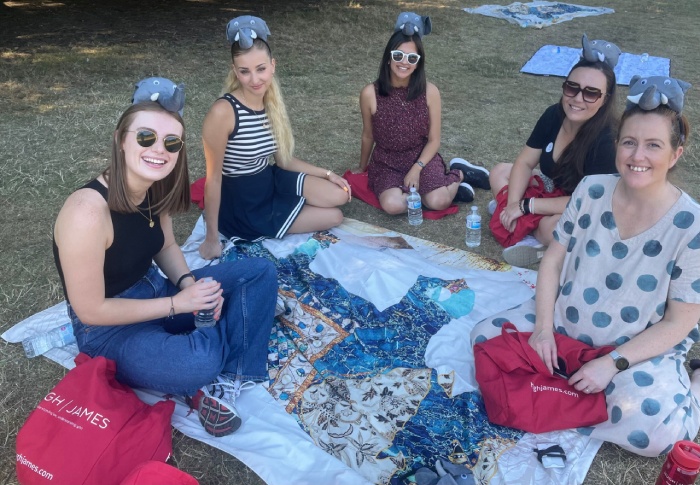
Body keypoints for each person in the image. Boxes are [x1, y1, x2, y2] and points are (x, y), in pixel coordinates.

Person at [472, 87, 700, 457]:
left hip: (630, 349)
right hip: (564, 325)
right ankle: (574, 393)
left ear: (675, 155)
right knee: (484, 339)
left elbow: (679, 323)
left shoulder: (692, 225)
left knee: (657, 431)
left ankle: (695, 384)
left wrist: (611, 364)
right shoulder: (592, 190)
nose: (637, 156)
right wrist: (543, 331)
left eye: (653, 145)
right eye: (628, 142)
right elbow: (553, 261)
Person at [53, 89, 277, 438]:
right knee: (196, 363)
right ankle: (224, 336)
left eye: (172, 143)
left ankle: (231, 376)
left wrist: (189, 285)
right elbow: (90, 311)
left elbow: (167, 245)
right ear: (120, 141)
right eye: (146, 137)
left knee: (259, 272)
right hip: (108, 331)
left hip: (156, 290)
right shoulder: (86, 211)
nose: (159, 149)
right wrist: (179, 304)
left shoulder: (154, 188)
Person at [199, 15, 351, 259]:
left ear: (272, 65)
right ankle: (288, 211)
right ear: (235, 72)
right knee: (334, 216)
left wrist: (327, 173)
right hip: (245, 202)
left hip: (270, 178)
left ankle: (293, 207)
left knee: (339, 195)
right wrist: (211, 238)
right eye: (245, 72)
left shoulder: (271, 103)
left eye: (261, 69)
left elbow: (283, 160)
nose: (255, 80)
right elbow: (213, 180)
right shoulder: (223, 112)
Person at [489, 35, 621, 267]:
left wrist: (524, 205)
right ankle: (520, 222)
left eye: (591, 93)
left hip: (580, 207)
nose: (578, 98)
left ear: (605, 99)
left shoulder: (607, 141)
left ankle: (531, 233)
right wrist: (512, 203)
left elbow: (586, 201)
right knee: (500, 172)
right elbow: (524, 163)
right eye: (572, 88)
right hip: (550, 191)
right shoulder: (554, 114)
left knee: (558, 228)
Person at [355, 12, 490, 215]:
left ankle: (458, 175)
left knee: (439, 201)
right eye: (398, 55)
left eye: (412, 57)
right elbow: (368, 135)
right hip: (386, 162)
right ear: (388, 58)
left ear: (418, 62)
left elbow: (434, 140)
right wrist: (362, 167)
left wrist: (417, 168)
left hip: (421, 157)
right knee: (393, 206)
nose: (404, 62)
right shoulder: (370, 93)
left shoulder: (430, 92)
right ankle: (442, 187)